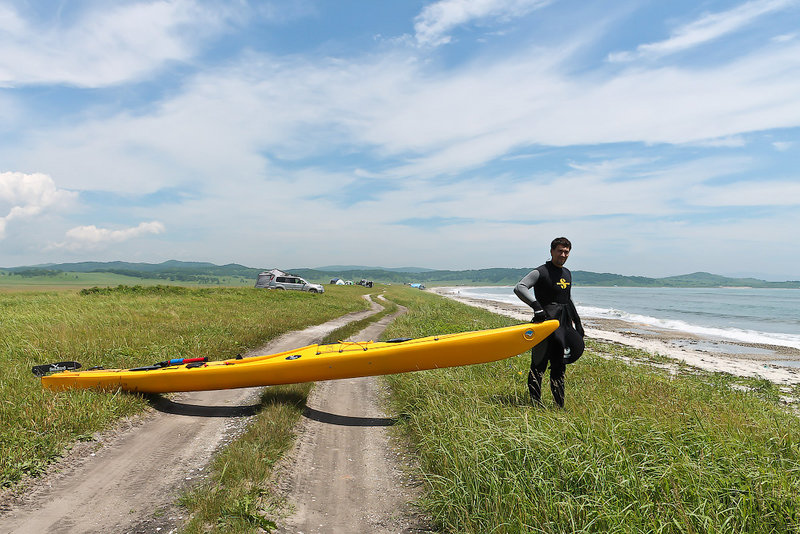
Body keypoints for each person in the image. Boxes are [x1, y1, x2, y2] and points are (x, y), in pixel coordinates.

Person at [514, 237, 584, 407]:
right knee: (539, 364)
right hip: (545, 325)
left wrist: (577, 322)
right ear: (552, 251)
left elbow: (568, 298)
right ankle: (535, 404)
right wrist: (537, 307)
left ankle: (559, 405)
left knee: (559, 366)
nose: (563, 254)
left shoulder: (567, 273)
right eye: (559, 251)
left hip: (563, 324)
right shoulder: (541, 271)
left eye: (566, 251)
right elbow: (520, 287)